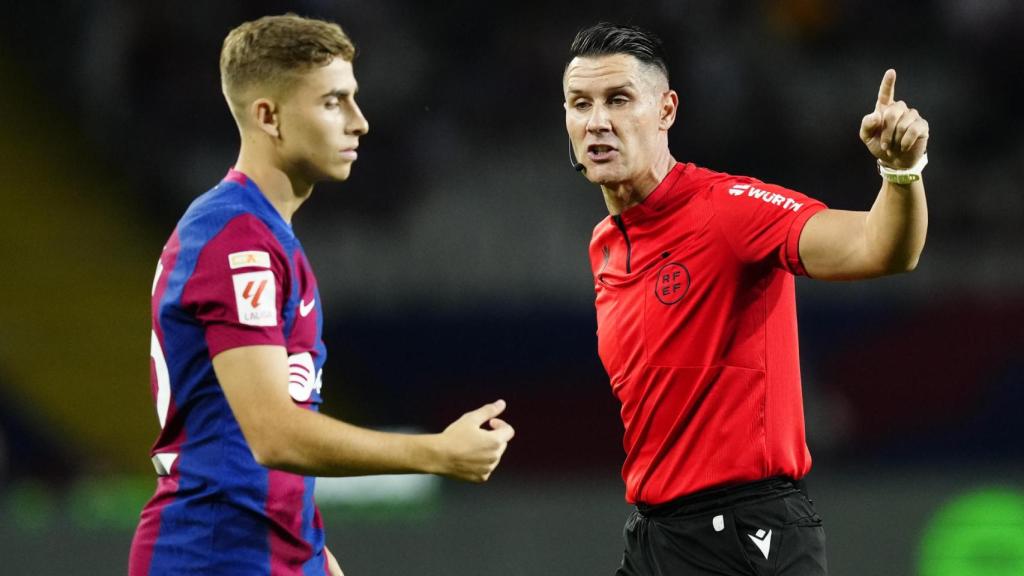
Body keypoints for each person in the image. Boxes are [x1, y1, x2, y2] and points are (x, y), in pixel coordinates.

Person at [130, 14, 514, 576]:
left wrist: (311, 554)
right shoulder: (236, 242)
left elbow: (259, 446)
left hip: (267, 551)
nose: (359, 122)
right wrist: (433, 453)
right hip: (212, 556)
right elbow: (273, 433)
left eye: (353, 99)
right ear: (270, 116)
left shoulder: (263, 236)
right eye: (334, 102)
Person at [563, 23, 928, 575]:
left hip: (743, 536)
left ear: (665, 111)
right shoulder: (606, 245)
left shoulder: (728, 211)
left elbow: (881, 248)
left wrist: (901, 172)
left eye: (618, 100)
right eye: (579, 104)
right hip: (654, 538)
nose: (597, 122)